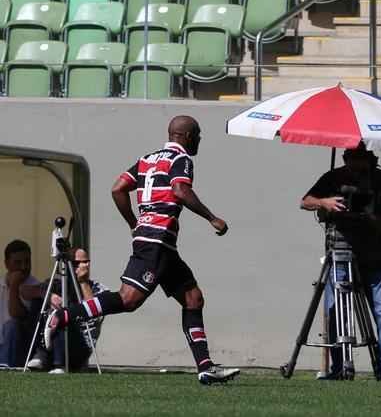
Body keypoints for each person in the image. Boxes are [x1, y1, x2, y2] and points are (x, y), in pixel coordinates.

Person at [45, 115, 240, 385]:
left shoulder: (147, 159)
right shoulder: (181, 159)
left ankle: (206, 368)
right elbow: (180, 190)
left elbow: (118, 188)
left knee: (193, 299)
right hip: (156, 241)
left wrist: (134, 223)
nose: (199, 140)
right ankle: (64, 315)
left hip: (159, 243)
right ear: (186, 136)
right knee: (128, 300)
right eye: (197, 135)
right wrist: (212, 217)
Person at [301, 143, 381, 383]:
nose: (354, 165)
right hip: (340, 252)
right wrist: (325, 203)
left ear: (369, 159)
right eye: (350, 159)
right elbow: (305, 201)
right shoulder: (332, 178)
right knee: (336, 311)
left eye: (359, 159)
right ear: (345, 158)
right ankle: (339, 367)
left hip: (374, 257)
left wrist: (363, 216)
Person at [27, 248, 106, 373]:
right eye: (75, 263)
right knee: (38, 300)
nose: (81, 266)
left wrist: (83, 282)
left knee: (65, 313)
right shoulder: (57, 284)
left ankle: (60, 365)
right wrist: (48, 295)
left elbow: (94, 314)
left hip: (80, 346)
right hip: (50, 342)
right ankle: (40, 354)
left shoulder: (97, 288)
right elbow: (24, 291)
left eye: (85, 262)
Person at [0, 240, 38, 368]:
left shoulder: (35, 287)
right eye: (18, 262)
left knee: (12, 325)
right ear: (6, 264)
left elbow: (16, 314)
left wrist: (14, 285)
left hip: (21, 349)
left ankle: (4, 368)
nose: (23, 267)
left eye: (27, 261)